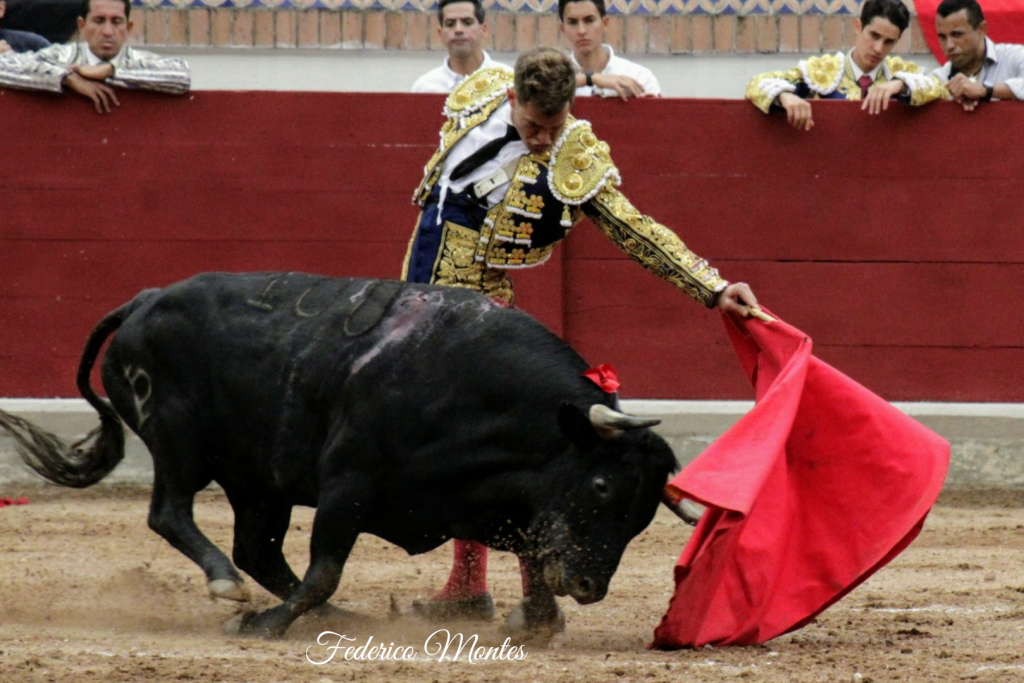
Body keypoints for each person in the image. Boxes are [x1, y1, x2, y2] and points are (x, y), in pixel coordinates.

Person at [402, 46, 765, 628]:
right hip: (417, 295)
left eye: (555, 125)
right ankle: (469, 586)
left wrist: (712, 287)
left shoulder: (574, 156)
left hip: (478, 317)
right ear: (512, 96)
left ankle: (523, 595)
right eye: (534, 126)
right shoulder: (479, 90)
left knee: (493, 451)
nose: (545, 139)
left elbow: (635, 228)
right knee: (453, 447)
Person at [745, 0, 946, 131]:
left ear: (898, 40)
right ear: (858, 27)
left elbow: (940, 89)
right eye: (874, 36)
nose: (878, 48)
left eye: (888, 42)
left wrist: (900, 84)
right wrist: (785, 96)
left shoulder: (902, 74)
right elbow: (756, 84)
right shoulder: (823, 70)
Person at [0, 0, 189, 114]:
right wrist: (69, 78)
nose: (107, 31)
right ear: (82, 25)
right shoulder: (63, 56)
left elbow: (182, 75)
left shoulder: (138, 61)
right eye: (99, 21)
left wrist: (111, 71)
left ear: (128, 28)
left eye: (116, 22)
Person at [933, 0, 1024, 110]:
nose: (949, 46)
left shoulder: (1014, 57)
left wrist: (985, 91)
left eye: (957, 34)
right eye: (942, 37)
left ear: (982, 29)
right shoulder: (939, 78)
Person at [559, 0, 660, 100]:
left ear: (605, 23)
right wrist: (590, 79)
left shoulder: (639, 77)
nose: (581, 31)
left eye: (589, 20)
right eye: (572, 22)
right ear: (563, 29)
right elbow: (545, 89)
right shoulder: (554, 74)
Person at [411, 0, 510, 94]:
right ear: (440, 34)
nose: (458, 30)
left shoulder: (508, 81)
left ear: (483, 30)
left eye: (467, 22)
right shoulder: (425, 88)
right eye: (450, 24)